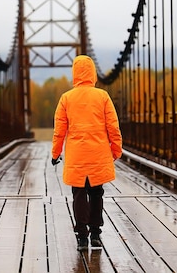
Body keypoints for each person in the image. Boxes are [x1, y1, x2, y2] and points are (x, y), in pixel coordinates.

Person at [51, 54, 122, 251]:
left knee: (79, 194)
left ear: (74, 73)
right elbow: (113, 127)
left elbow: (59, 131)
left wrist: (55, 154)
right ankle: (96, 234)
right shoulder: (102, 97)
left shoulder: (66, 98)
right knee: (97, 192)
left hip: (76, 157)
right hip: (98, 154)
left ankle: (82, 236)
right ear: (92, 73)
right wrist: (116, 150)